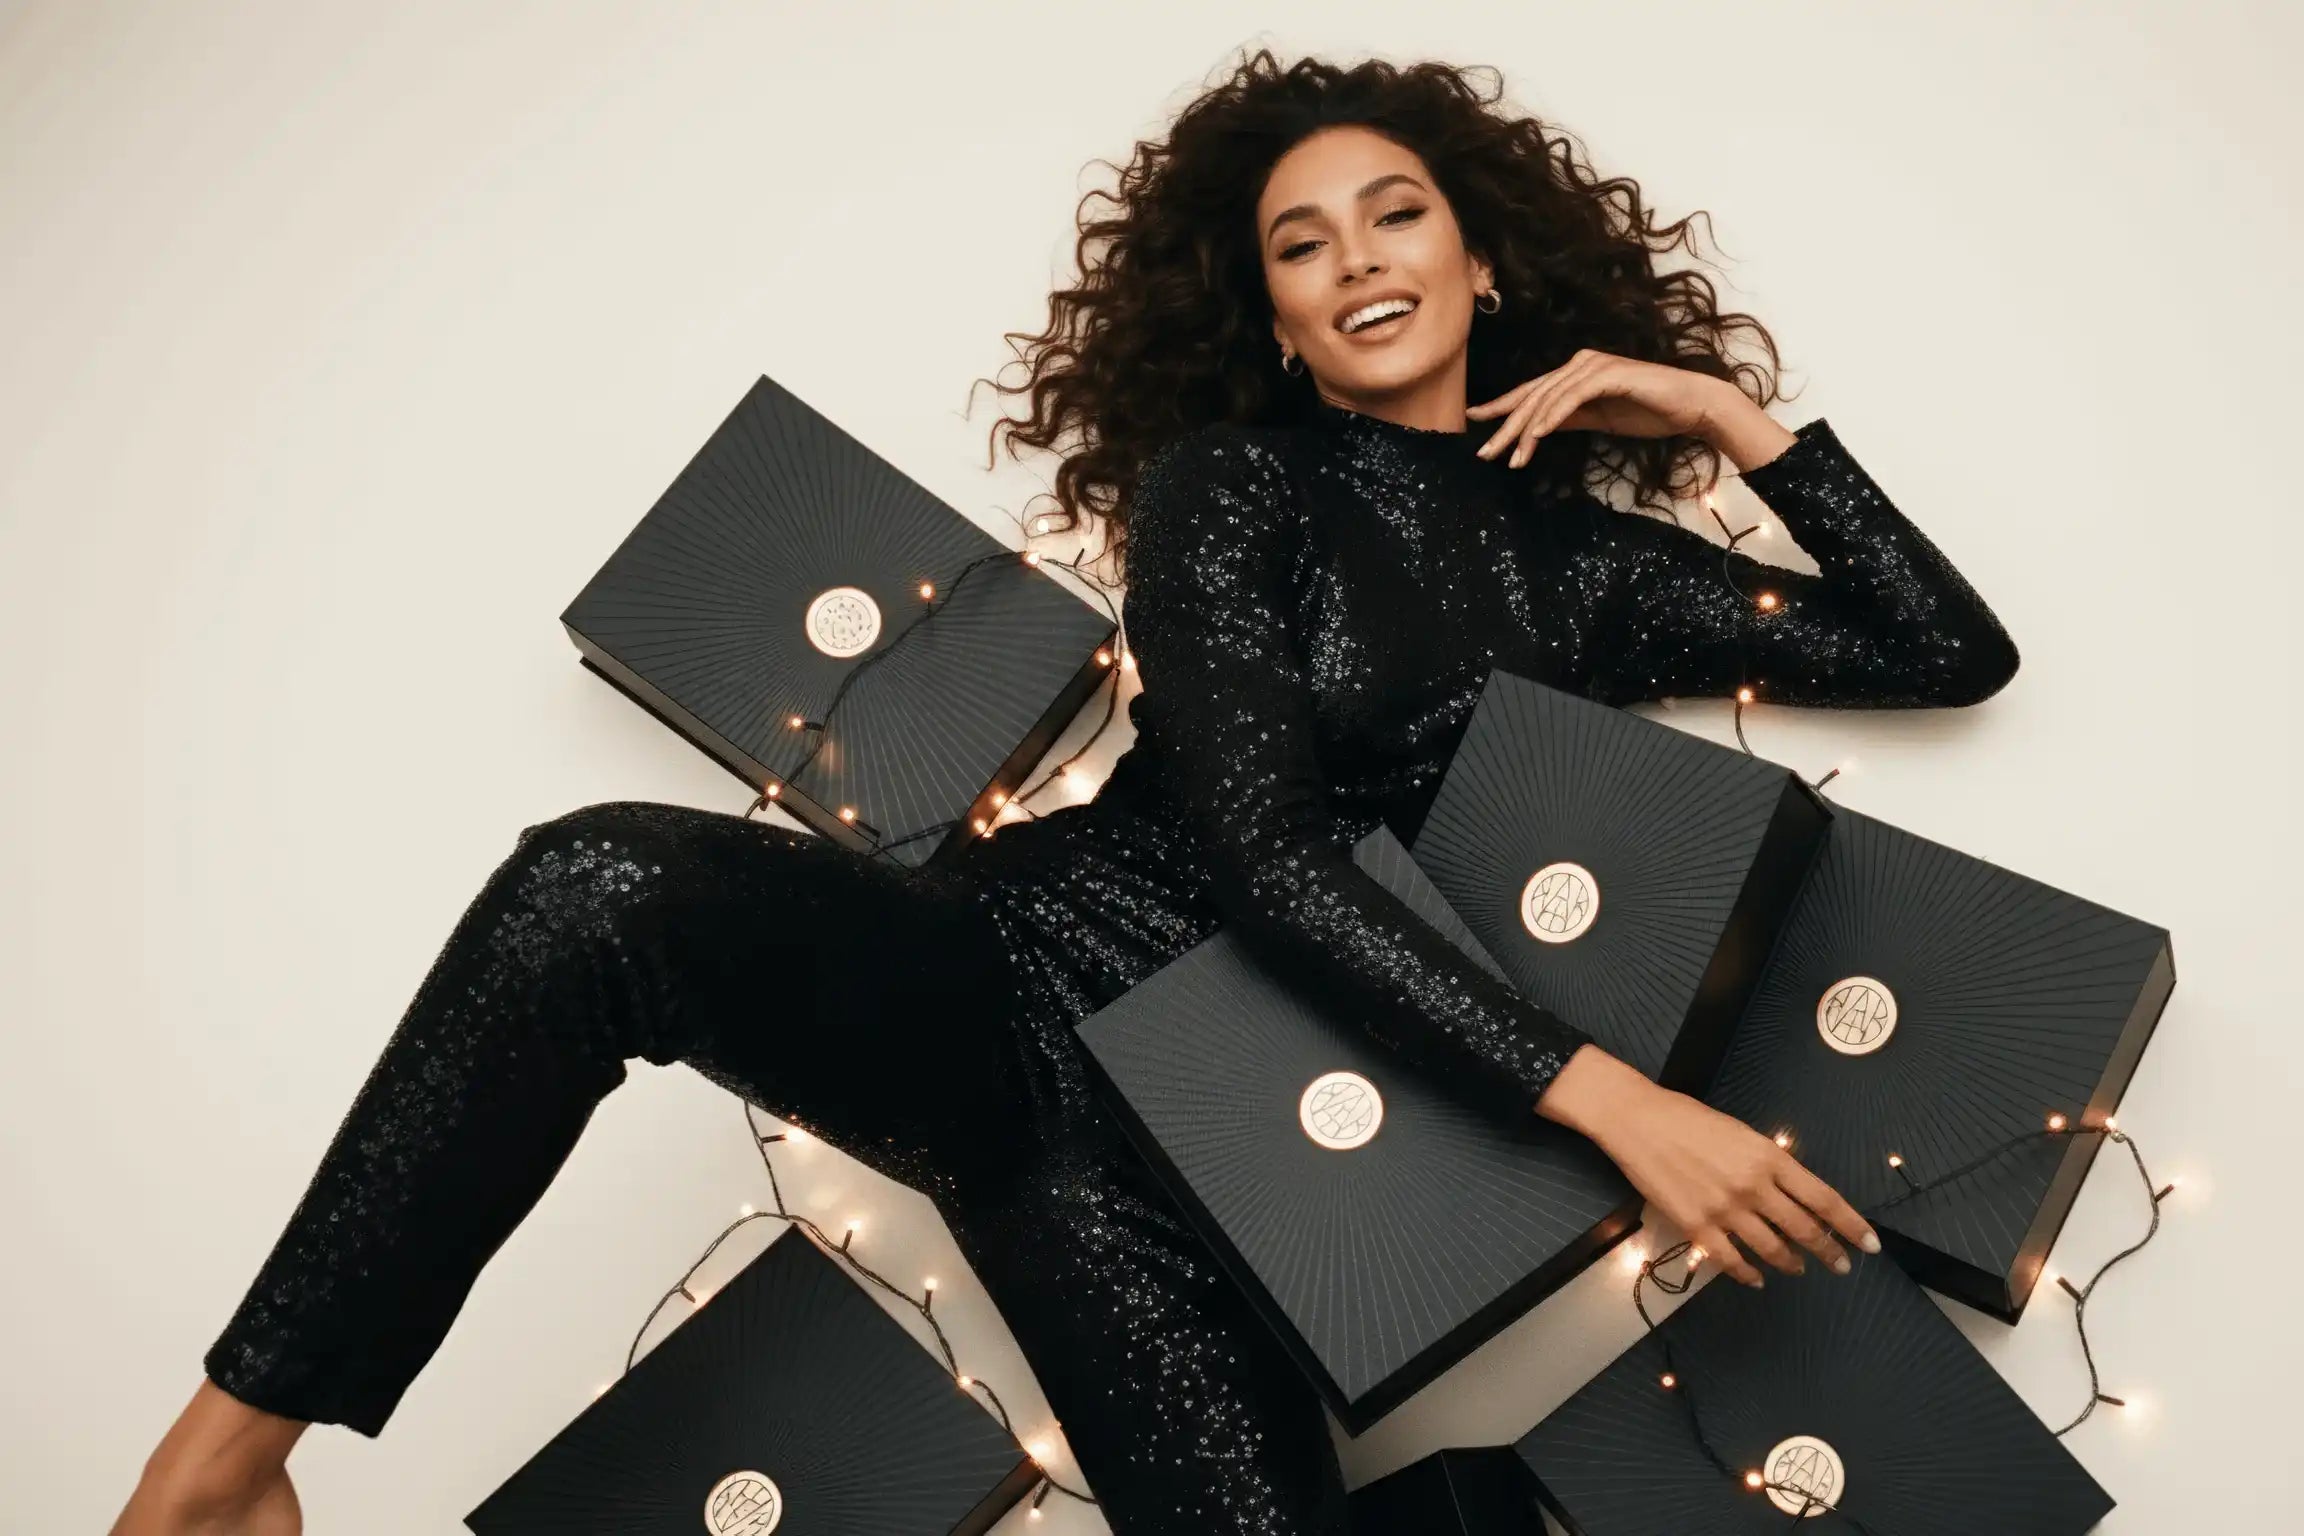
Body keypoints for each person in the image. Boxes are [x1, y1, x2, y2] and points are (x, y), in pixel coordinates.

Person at [112, 48, 2017, 1536]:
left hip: (1212, 1179)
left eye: (1398, 213)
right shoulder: (1233, 488)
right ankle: (224, 1462)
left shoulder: (1586, 574)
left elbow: (1946, 649)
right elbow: (1261, 851)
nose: (1358, 257)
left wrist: (1722, 417)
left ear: (1483, 257)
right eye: (1303, 241)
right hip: (1014, 1000)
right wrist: (1623, 1109)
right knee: (595, 889)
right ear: (1274, 319)